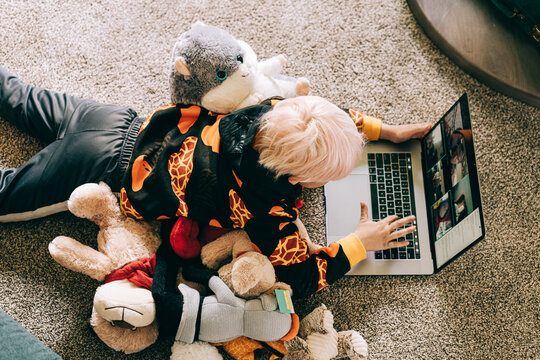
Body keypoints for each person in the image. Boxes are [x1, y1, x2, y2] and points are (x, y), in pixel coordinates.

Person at [0, 66, 432, 298]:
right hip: (98, 171)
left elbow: (320, 114)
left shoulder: (271, 110)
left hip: (118, 119)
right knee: (8, 197)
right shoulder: (267, 209)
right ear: (297, 179)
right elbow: (300, 278)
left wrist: (382, 131)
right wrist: (359, 242)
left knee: (19, 95)